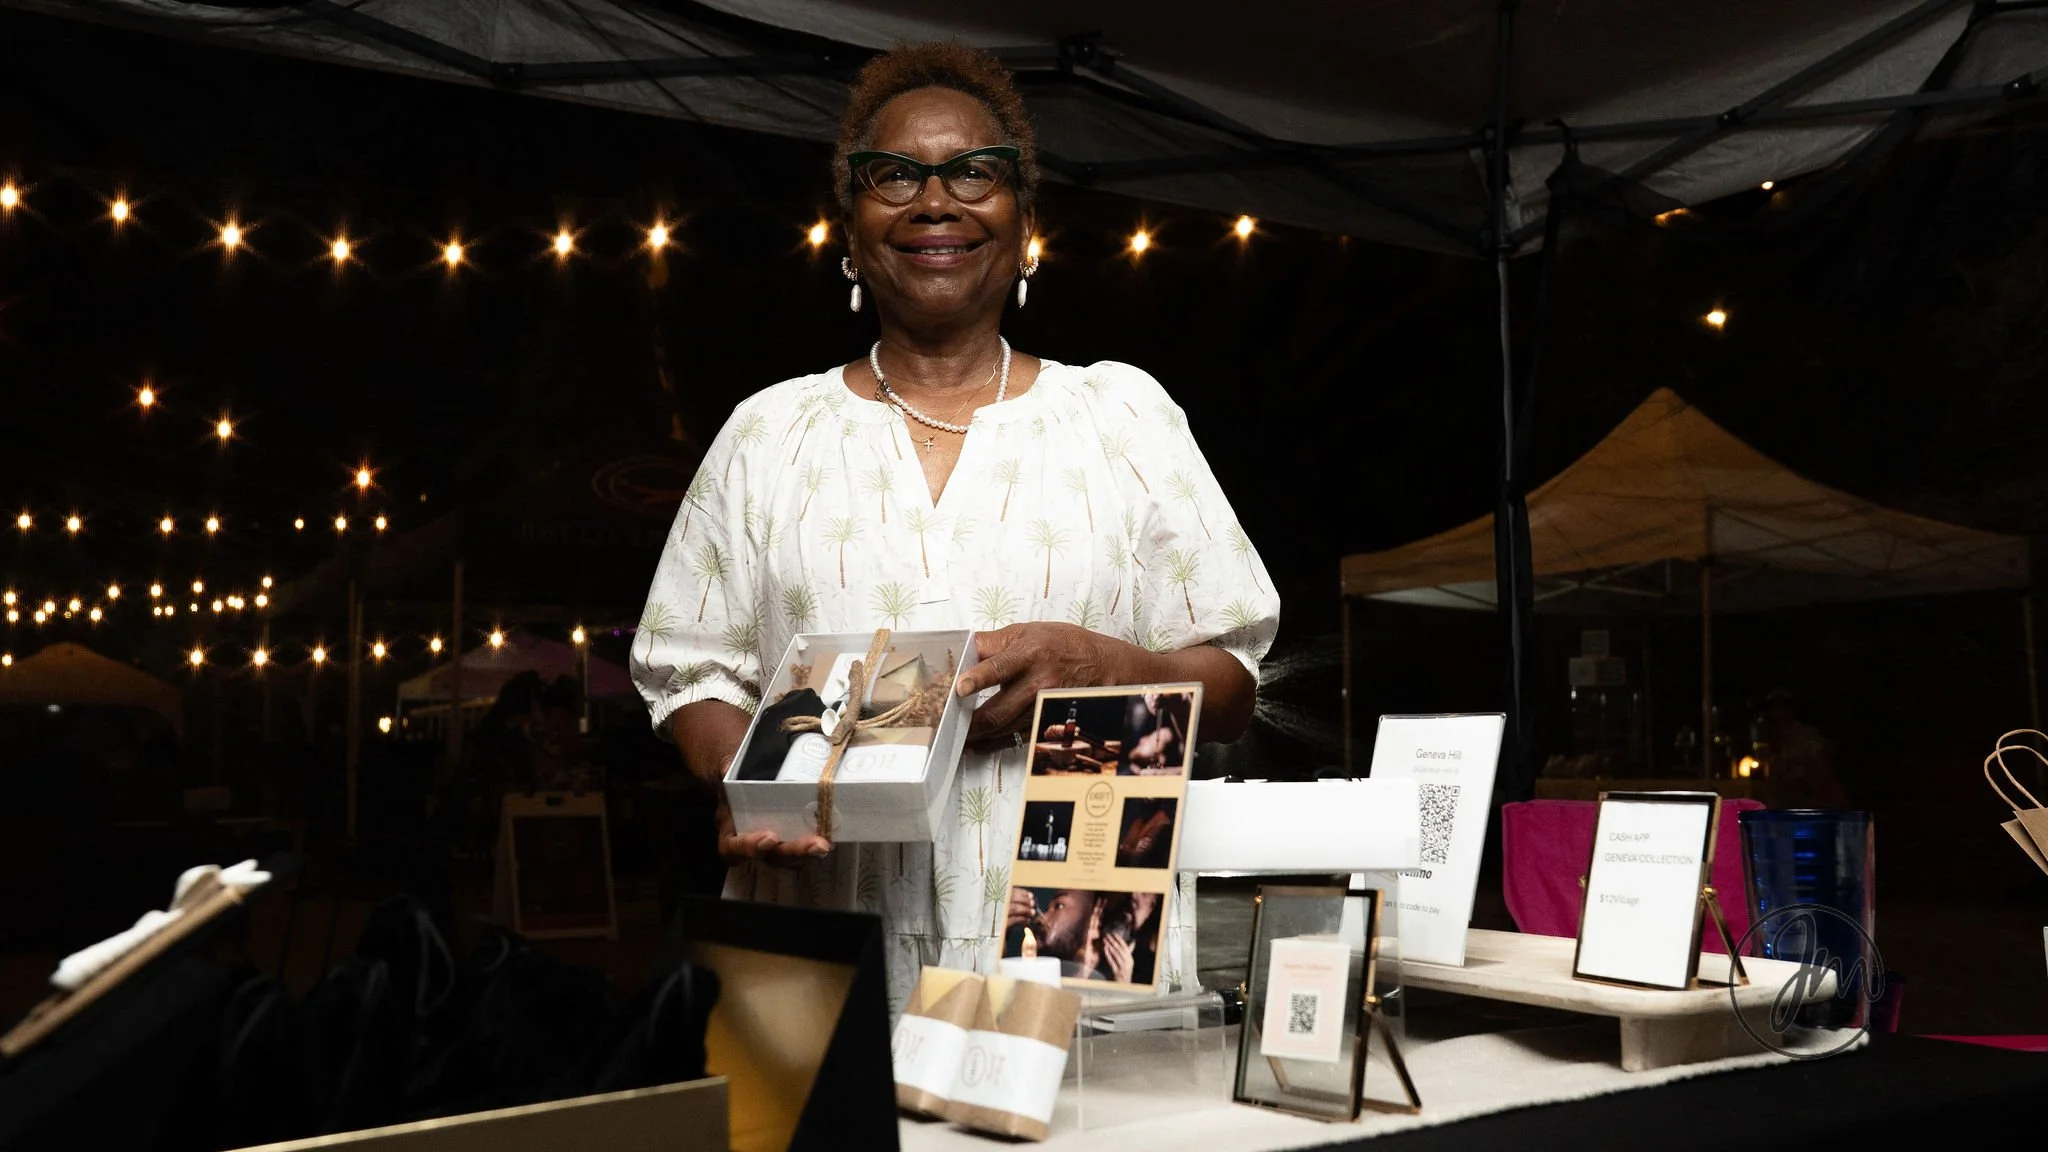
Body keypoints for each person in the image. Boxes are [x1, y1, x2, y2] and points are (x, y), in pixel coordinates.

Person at [631, 42, 1278, 1015]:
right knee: (838, 1102)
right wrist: (748, 783)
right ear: (849, 232)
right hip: (827, 910)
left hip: (1080, 902)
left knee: (1070, 1099)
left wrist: (1105, 667)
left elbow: (1230, 685)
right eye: (892, 175)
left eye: (976, 172)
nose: (935, 201)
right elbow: (692, 673)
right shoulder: (769, 435)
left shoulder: (1121, 419)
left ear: (1025, 223)